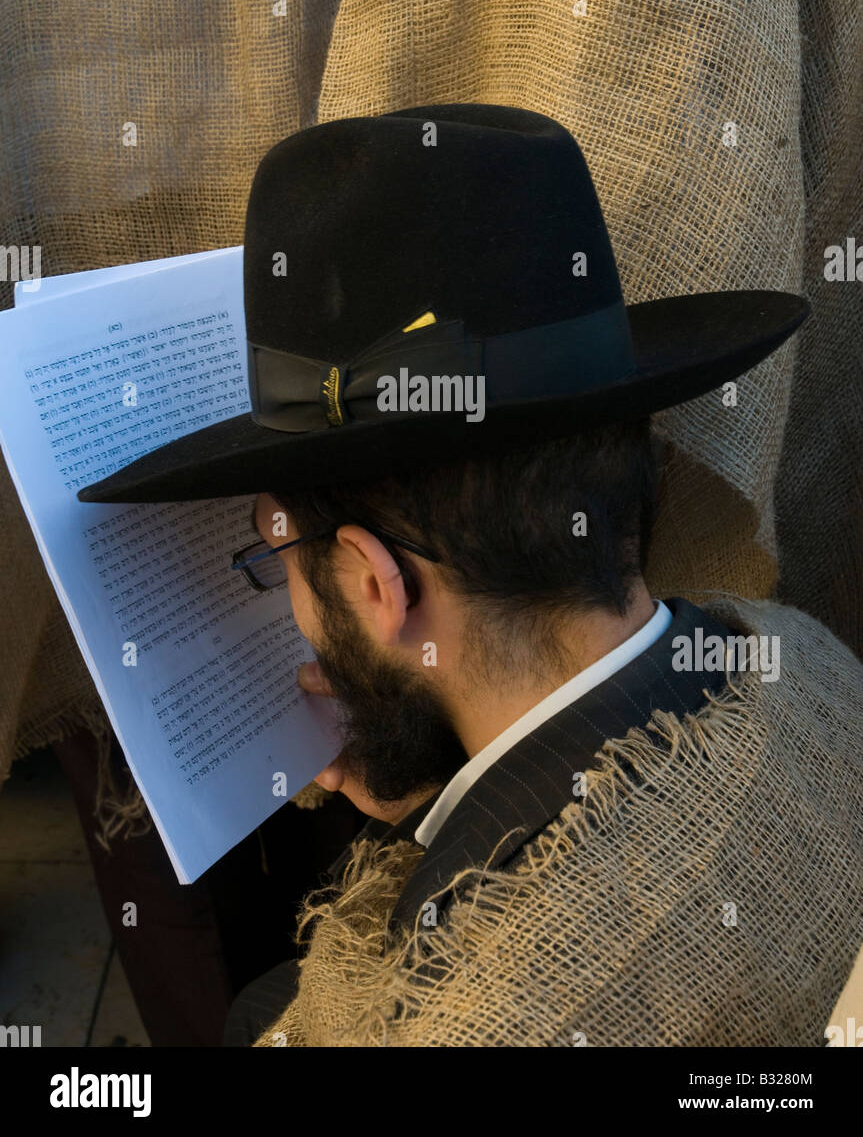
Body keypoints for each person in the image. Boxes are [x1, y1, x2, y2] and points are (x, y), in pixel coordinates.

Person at [78, 105, 863, 1047]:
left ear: (375, 584)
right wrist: (442, 802)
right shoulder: (806, 664)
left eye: (274, 555)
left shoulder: (452, 1021)